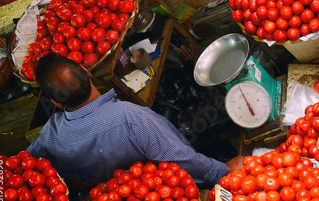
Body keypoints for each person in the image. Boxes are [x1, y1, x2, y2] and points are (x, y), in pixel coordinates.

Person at [27, 53, 243, 189]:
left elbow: (23, 165)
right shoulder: (131, 118)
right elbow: (181, 159)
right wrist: (222, 170)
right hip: (169, 189)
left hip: (126, 199)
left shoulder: (50, 136)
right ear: (87, 72)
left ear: (57, 102)